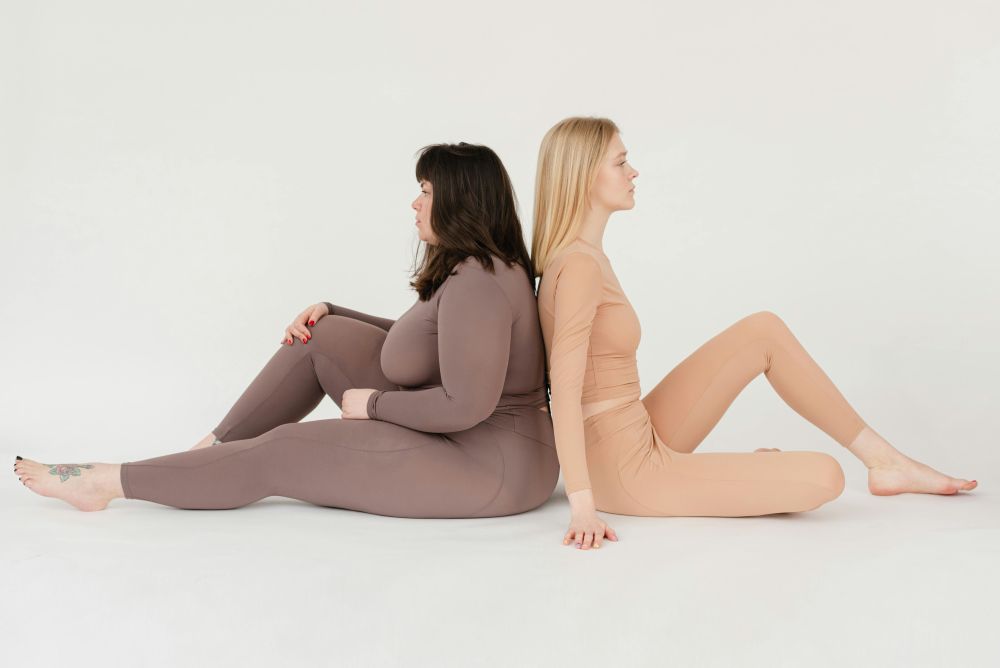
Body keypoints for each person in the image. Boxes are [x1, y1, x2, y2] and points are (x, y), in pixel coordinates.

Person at [15, 142, 559, 517]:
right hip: (471, 441)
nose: (415, 203)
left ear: (460, 200)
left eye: (427, 190)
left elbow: (466, 405)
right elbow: (438, 340)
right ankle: (206, 454)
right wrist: (333, 309)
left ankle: (105, 483)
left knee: (284, 450)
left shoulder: (480, 281)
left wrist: (373, 406)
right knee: (322, 335)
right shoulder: (476, 268)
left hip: (489, 464)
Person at [532, 116, 977, 550]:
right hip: (623, 470)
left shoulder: (585, 256)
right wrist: (582, 506)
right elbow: (565, 391)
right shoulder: (580, 267)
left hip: (636, 430)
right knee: (825, 477)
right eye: (620, 162)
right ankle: (767, 475)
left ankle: (885, 461)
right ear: (584, 177)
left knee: (761, 331)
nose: (634, 172)